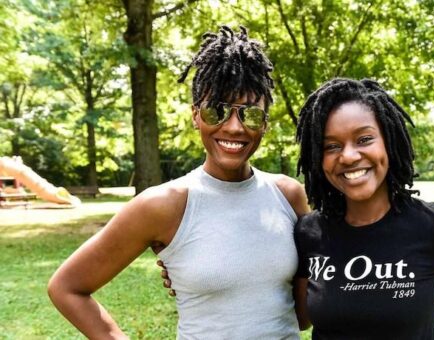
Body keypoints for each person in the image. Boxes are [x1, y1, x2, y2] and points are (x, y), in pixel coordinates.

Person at [47, 26, 309, 339]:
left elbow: (302, 316)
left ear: (265, 123)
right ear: (196, 115)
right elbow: (67, 288)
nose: (235, 127)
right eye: (217, 111)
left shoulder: (289, 196)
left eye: (251, 114)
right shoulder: (163, 204)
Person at [293, 78, 434, 339]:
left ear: (389, 142)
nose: (348, 156)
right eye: (331, 146)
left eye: (364, 139)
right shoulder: (308, 233)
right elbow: (302, 320)